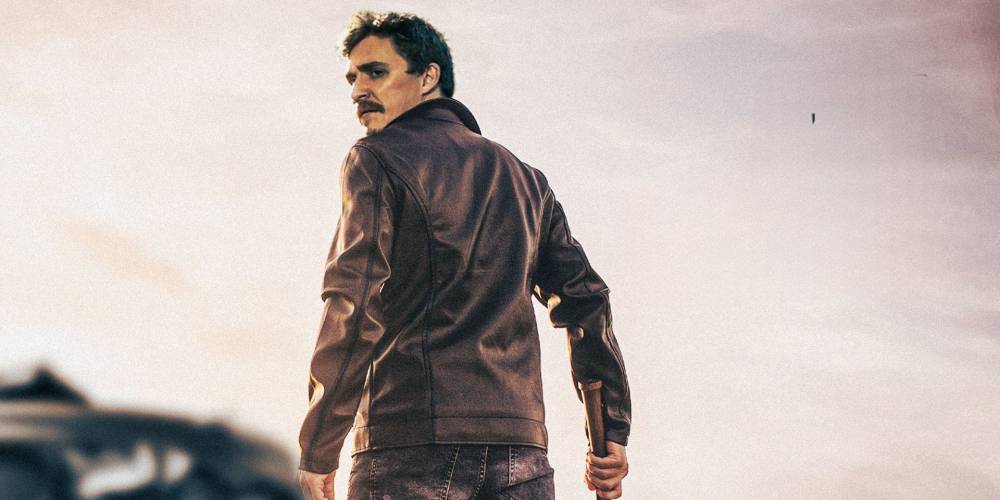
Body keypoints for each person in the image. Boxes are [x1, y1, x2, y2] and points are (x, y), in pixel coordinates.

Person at [297, 11, 631, 500]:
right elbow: (586, 301)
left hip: (409, 449)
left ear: (428, 77)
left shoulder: (375, 158)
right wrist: (610, 434)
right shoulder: (527, 181)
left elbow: (353, 303)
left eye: (376, 72)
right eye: (353, 78)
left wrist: (318, 449)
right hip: (522, 457)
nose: (358, 91)